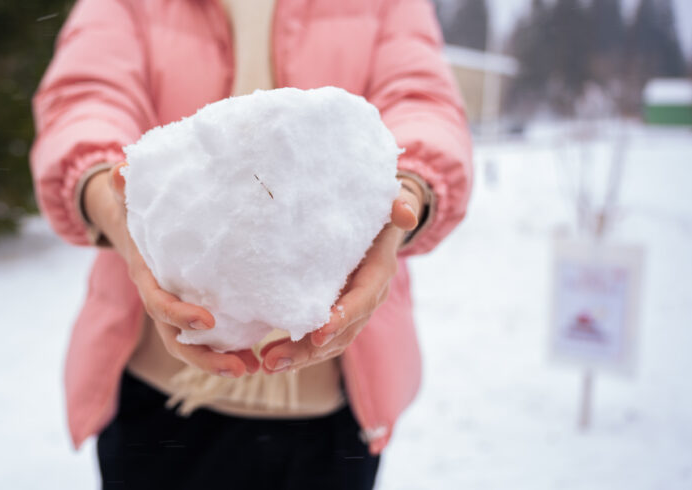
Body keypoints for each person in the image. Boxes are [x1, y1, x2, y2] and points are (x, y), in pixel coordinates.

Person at [30, 0, 472, 488]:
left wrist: (406, 195)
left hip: (332, 412)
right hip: (158, 403)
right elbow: (86, 97)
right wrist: (117, 209)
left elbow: (422, 101)